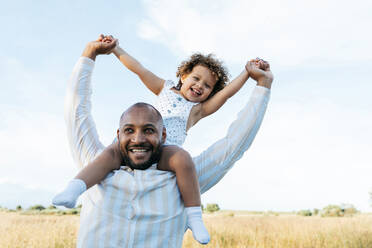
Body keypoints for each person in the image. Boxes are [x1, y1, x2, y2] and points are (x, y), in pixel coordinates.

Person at [53, 35, 268, 244]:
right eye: (196, 78)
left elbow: (228, 104)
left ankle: (194, 216)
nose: (200, 86)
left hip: (168, 153)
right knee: (107, 155)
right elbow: (139, 69)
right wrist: (113, 49)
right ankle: (75, 187)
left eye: (208, 86)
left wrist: (248, 74)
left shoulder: (197, 111)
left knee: (182, 158)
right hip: (119, 152)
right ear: (183, 76)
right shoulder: (164, 88)